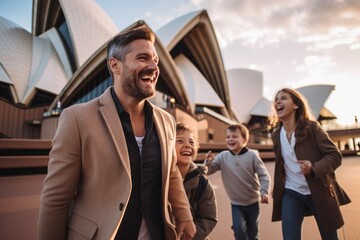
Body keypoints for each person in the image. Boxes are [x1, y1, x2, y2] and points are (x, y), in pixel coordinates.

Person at [38, 25, 196, 240]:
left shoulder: (166, 121)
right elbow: (56, 198)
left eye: (156, 60)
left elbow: (172, 173)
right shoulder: (77, 118)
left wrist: (184, 215)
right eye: (143, 58)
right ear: (115, 65)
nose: (153, 67)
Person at [268, 88, 351, 240]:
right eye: (276, 100)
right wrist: (277, 186)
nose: (278, 101)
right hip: (291, 193)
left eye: (284, 98)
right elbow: (282, 165)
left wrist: (314, 168)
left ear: (295, 105)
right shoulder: (276, 135)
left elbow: (335, 155)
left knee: (330, 237)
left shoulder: (312, 127)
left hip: (318, 189)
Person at [204, 124, 270, 240]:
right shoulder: (223, 156)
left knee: (252, 233)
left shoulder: (252, 156)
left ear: (244, 139)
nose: (230, 139)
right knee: (239, 230)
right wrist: (208, 162)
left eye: (234, 136)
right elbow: (209, 170)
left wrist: (264, 192)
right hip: (236, 203)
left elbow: (264, 175)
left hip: (253, 202)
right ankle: (237, 227)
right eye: (228, 137)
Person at [175, 123, 218, 240]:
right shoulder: (160, 177)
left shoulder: (202, 183)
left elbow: (209, 218)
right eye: (180, 141)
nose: (188, 145)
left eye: (191, 142)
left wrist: (188, 236)